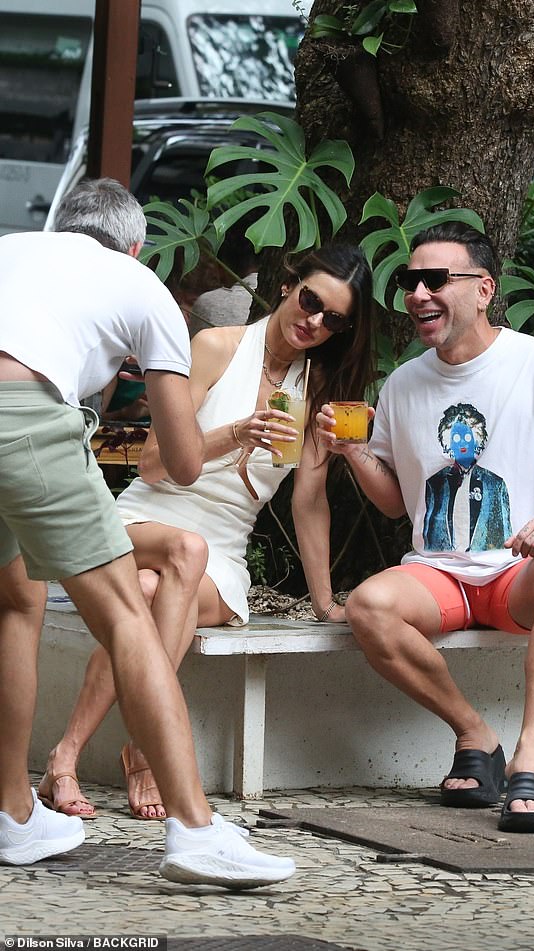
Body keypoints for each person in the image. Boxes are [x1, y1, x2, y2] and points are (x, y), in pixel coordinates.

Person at [0, 177, 296, 887]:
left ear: (62, 226)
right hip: (23, 415)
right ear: (137, 246)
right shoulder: (139, 286)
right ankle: (196, 829)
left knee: (17, 599)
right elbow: (185, 463)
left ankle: (11, 811)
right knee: (130, 619)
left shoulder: (12, 249)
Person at [38, 242, 374, 821]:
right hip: (144, 520)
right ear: (290, 284)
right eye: (312, 302)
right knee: (177, 553)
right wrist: (235, 434)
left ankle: (63, 758)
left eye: (334, 319)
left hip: (221, 552)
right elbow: (150, 464)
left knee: (147, 593)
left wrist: (323, 601)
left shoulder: (316, 392)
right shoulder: (216, 346)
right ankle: (142, 752)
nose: (315, 322)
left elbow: (310, 502)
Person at [318, 221, 534, 834]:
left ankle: (531, 760)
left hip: (515, 576)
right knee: (369, 605)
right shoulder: (404, 382)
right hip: (439, 575)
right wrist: (353, 452)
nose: (419, 293)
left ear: (483, 289)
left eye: (435, 280)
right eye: (409, 281)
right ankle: (475, 736)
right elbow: (397, 504)